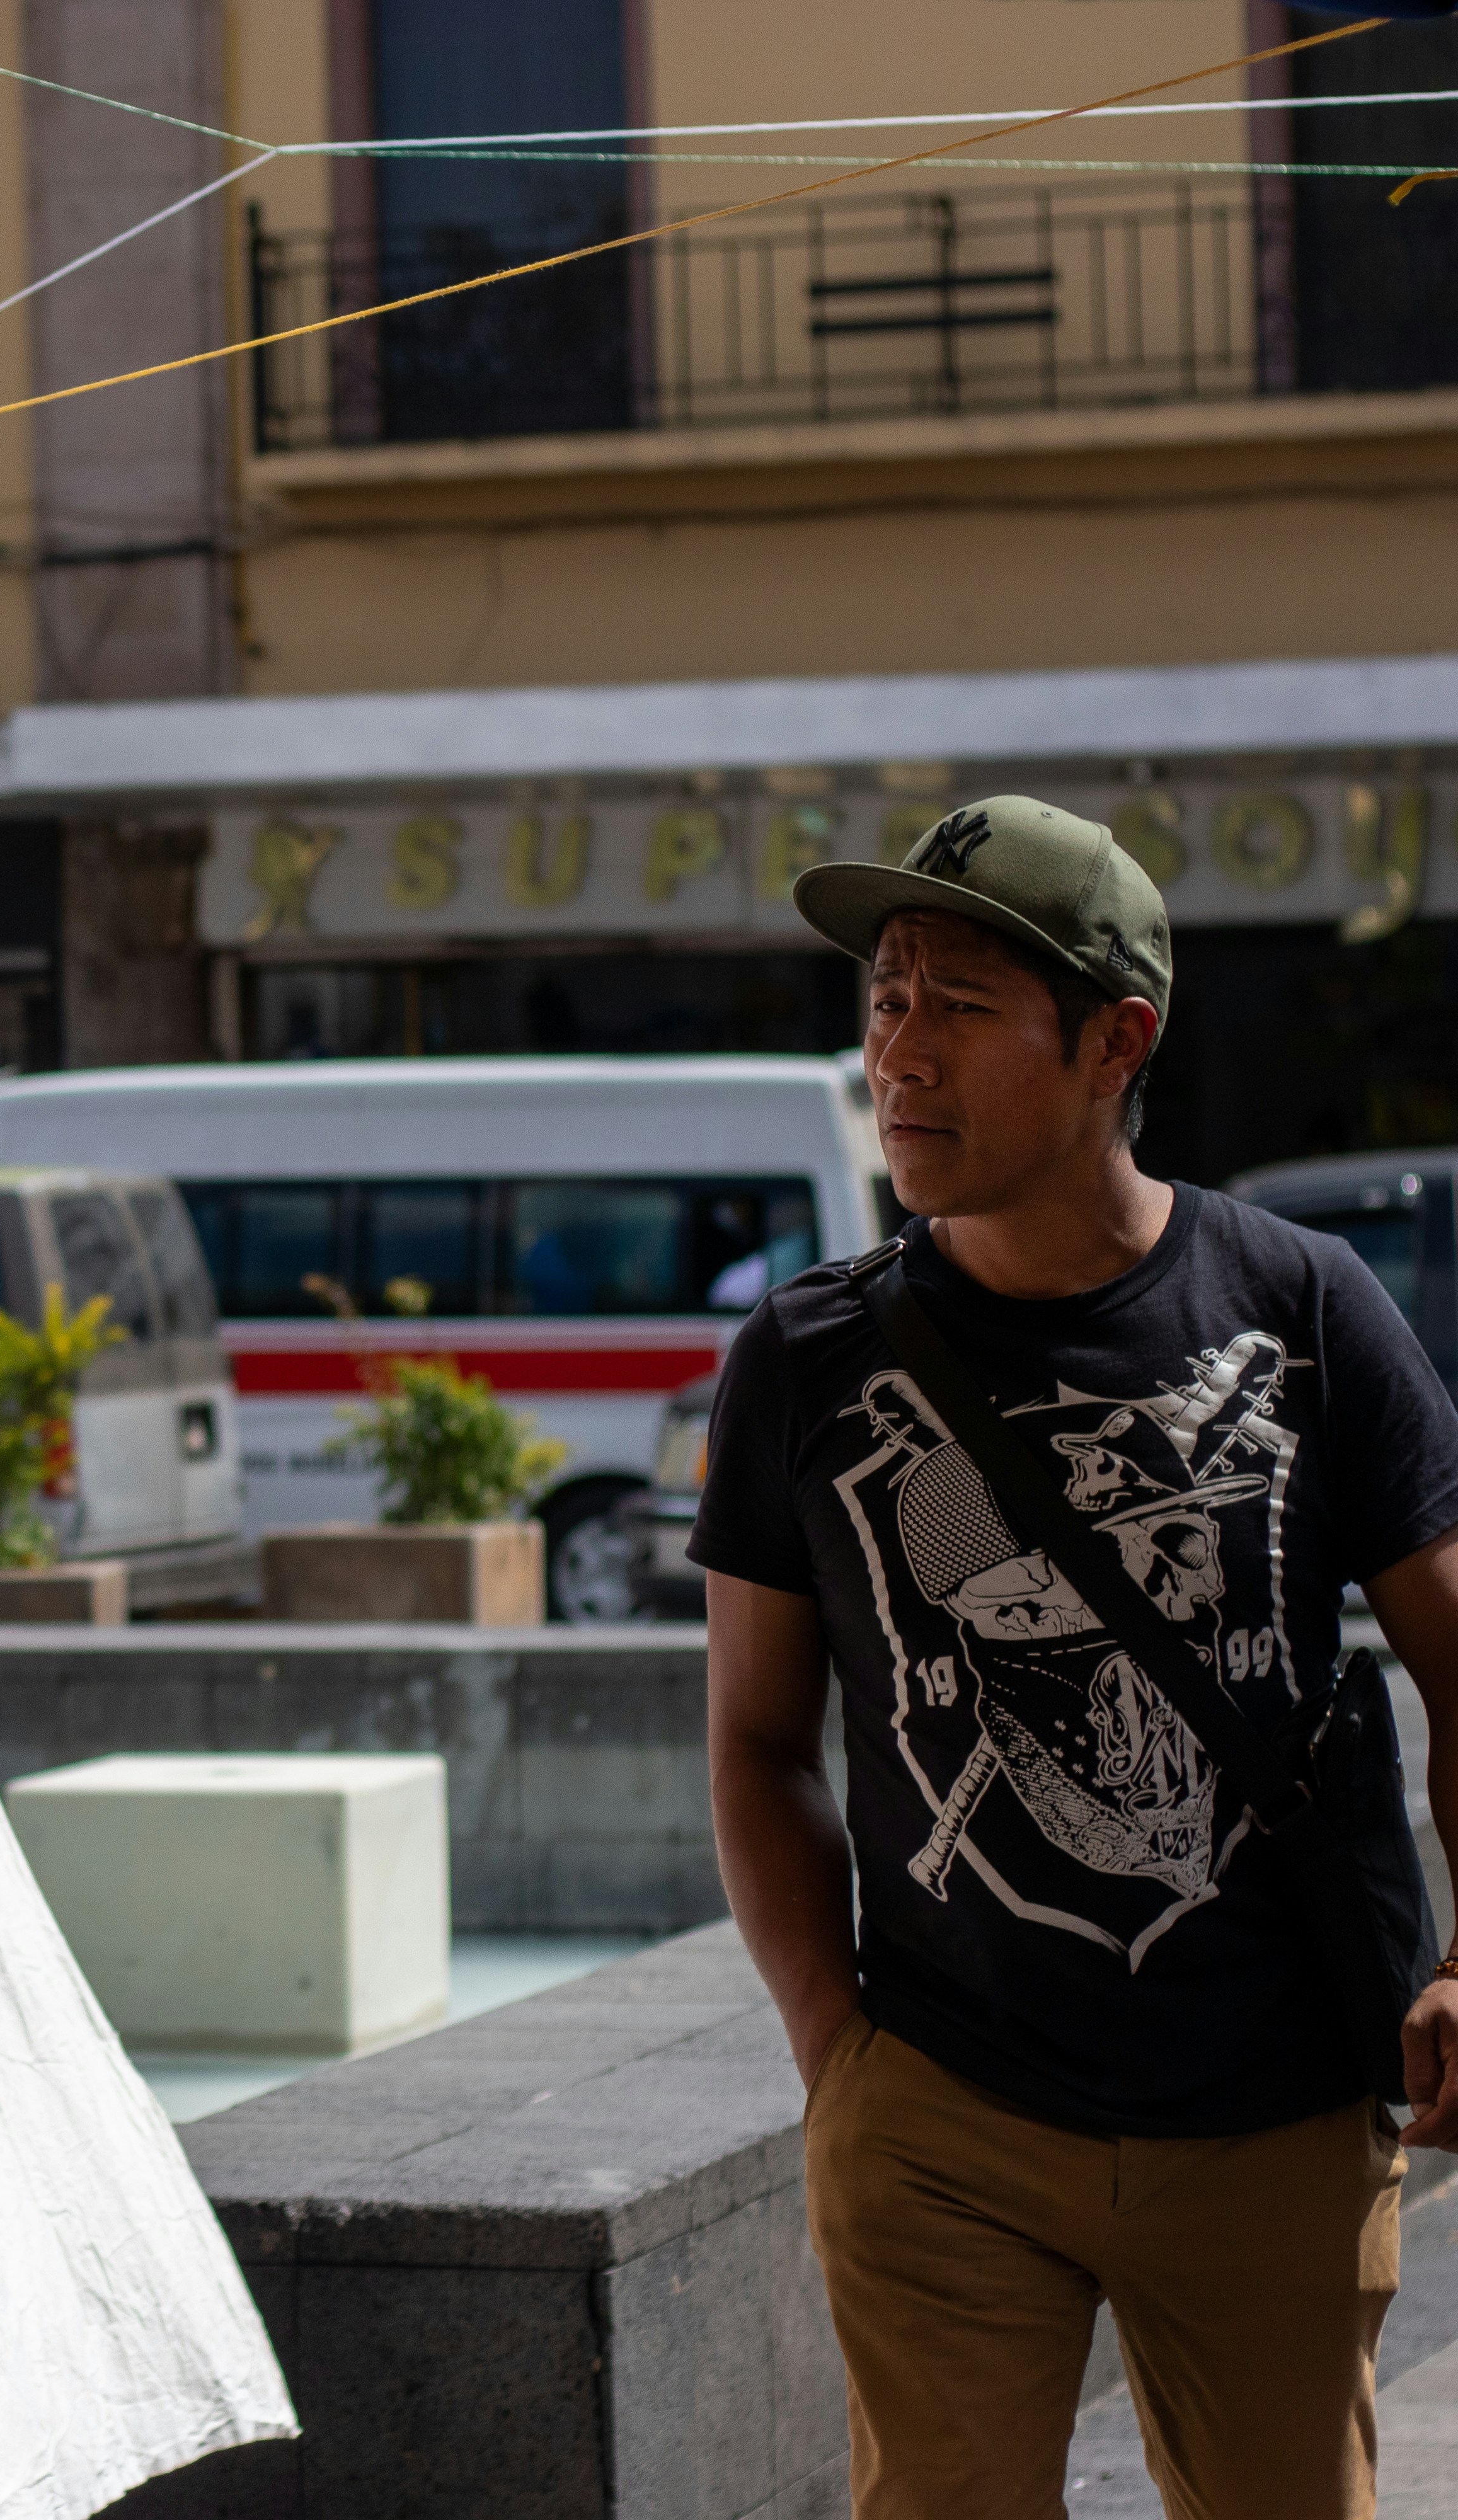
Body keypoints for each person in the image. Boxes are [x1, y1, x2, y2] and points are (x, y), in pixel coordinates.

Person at [692, 793, 1458, 2516]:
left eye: (961, 1006)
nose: (902, 1053)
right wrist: (840, 2059)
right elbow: (755, 1739)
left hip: (1275, 2112)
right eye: (886, 1000)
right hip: (945, 2117)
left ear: (1119, 1041)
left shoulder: (1307, 1309)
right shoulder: (805, 1361)